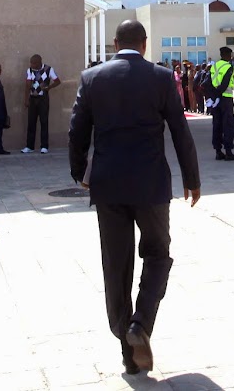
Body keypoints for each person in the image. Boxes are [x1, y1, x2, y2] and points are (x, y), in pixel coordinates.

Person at [68, 19, 201, 376]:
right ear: (144, 44)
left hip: (108, 185)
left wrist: (79, 173)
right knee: (158, 254)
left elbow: (77, 131)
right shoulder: (160, 77)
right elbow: (180, 130)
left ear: (115, 44)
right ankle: (140, 324)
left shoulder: (92, 78)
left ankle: (128, 352)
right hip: (151, 184)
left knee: (116, 265)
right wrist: (192, 179)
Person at [22, 53, 60, 153]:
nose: (32, 65)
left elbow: (57, 81)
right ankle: (29, 146)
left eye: (34, 63)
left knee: (44, 122)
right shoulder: (29, 70)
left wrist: (49, 87)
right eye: (31, 63)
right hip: (32, 98)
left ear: (39, 62)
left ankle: (44, 146)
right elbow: (27, 85)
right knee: (31, 122)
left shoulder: (49, 69)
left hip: (43, 99)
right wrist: (26, 100)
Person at [208, 47, 234, 161]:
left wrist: (213, 97)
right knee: (228, 125)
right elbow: (225, 83)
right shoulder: (229, 67)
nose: (231, 57)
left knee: (217, 125)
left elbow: (209, 82)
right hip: (226, 98)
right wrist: (219, 94)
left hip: (216, 100)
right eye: (230, 55)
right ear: (227, 55)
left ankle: (218, 151)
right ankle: (228, 152)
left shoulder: (214, 66)